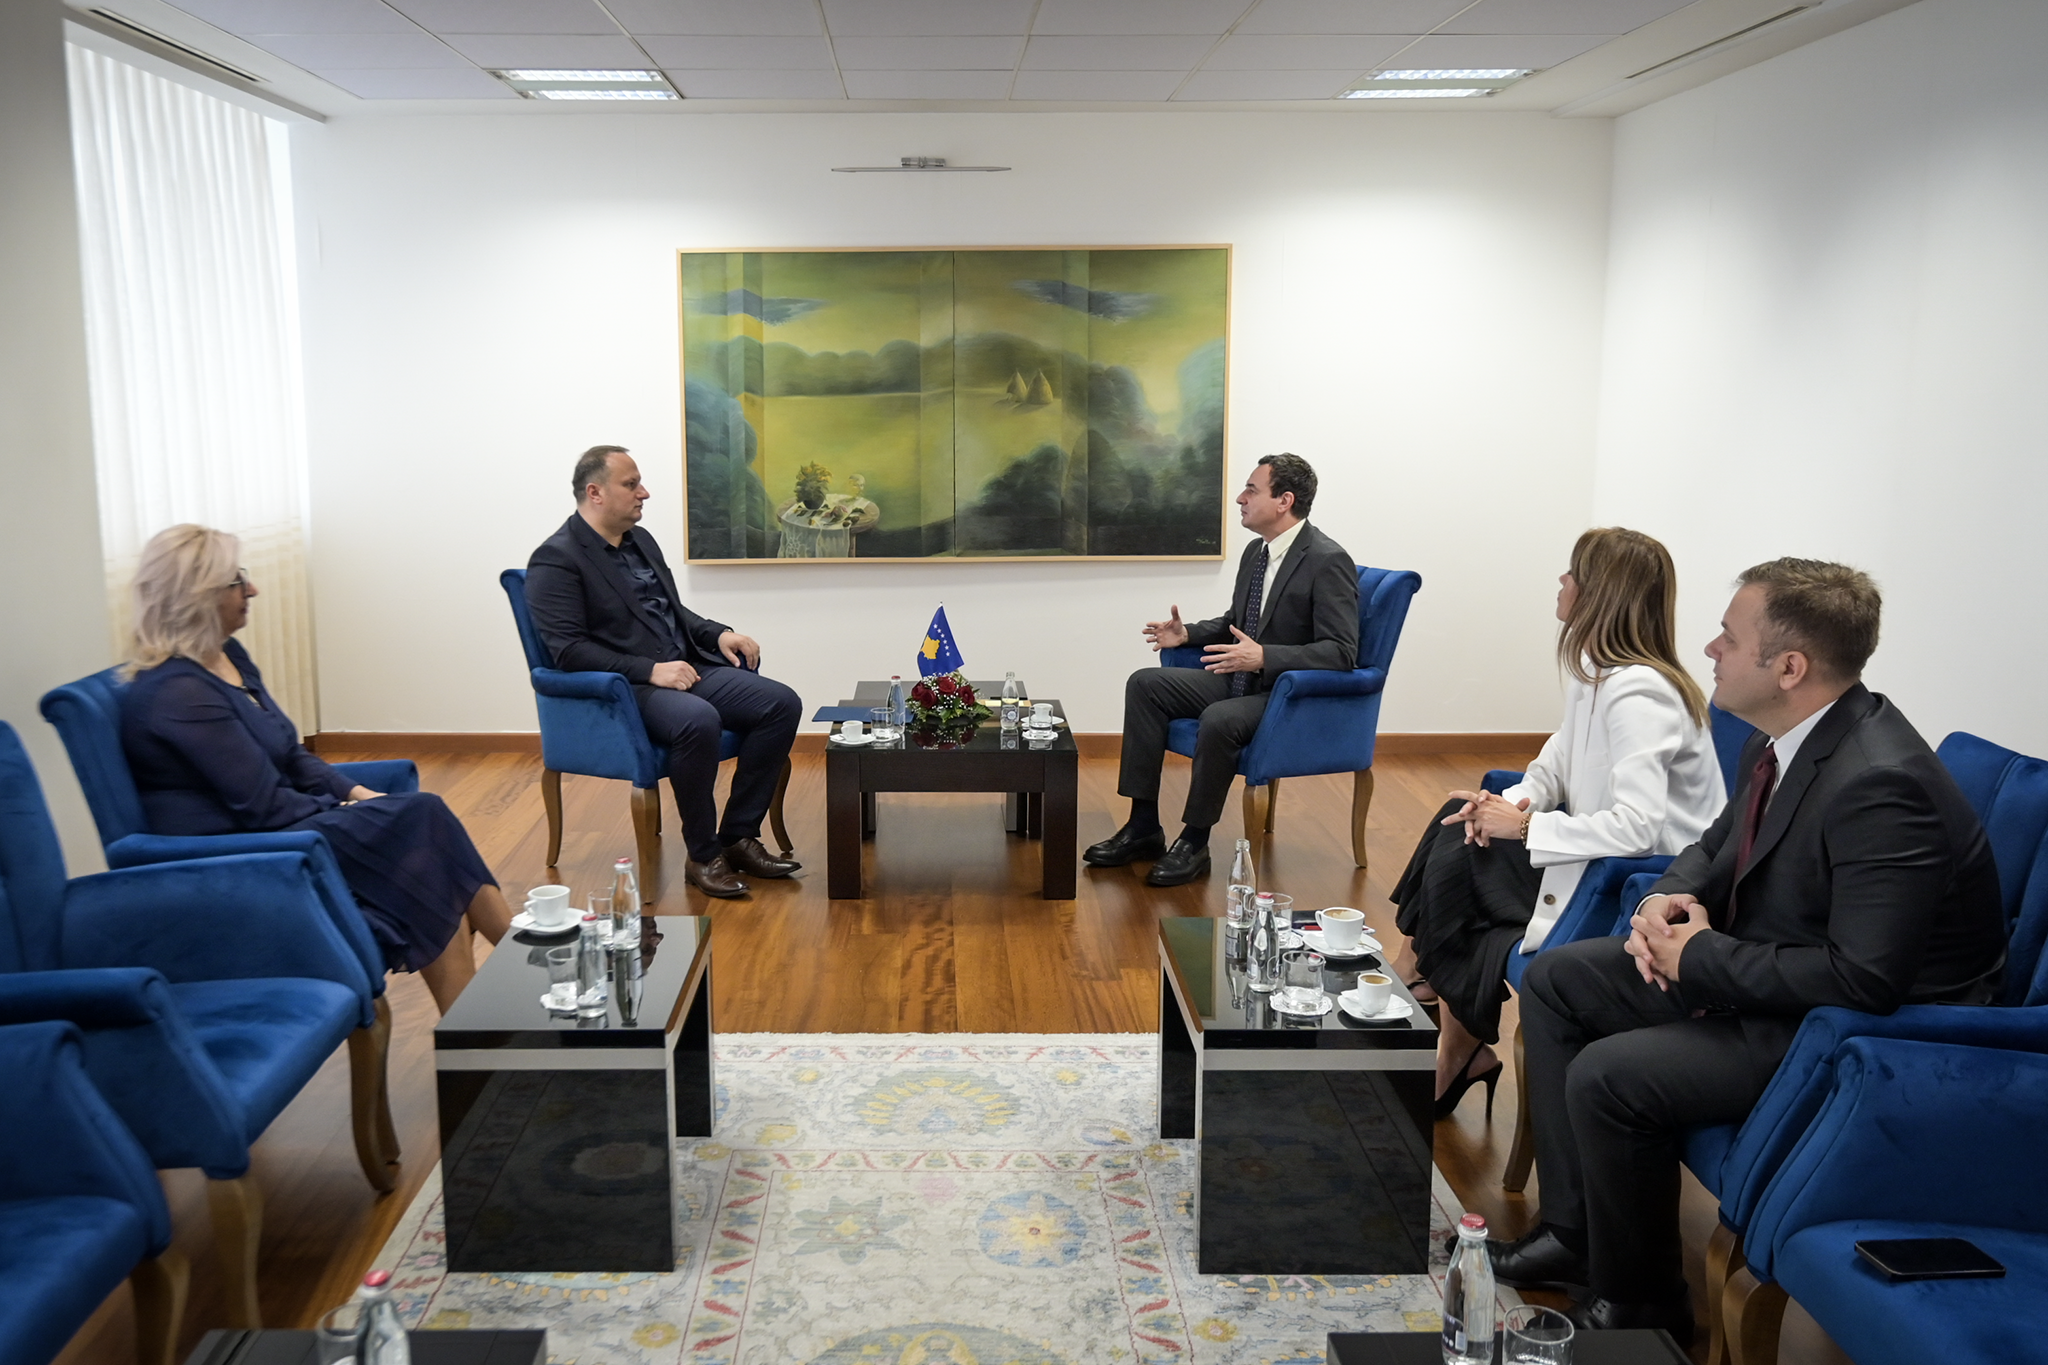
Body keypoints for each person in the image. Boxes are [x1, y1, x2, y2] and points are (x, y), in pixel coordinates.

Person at [1485, 558, 2005, 1340]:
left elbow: (1864, 978)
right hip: (1769, 969)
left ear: (1789, 667)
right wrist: (1662, 903)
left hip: (1854, 1034)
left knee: (1610, 1076)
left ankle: (1642, 1306)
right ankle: (1575, 1232)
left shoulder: (1882, 783)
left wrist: (1695, 957)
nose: (1710, 648)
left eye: (1729, 636)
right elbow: (1713, 844)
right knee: (1559, 980)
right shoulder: (1785, 737)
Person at [1389, 528, 1725, 1118]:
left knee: (1462, 870)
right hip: (1589, 855)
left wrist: (1523, 830)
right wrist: (1510, 804)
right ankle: (1433, 1006)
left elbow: (1640, 828)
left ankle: (1417, 985)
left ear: (1600, 593)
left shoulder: (1640, 693)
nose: (1562, 581)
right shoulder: (1597, 671)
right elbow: (1556, 763)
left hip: (1630, 885)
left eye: (1573, 573)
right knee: (1460, 822)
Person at [119, 525, 511, 1013]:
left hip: (283, 825)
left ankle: (480, 1021)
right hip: (243, 851)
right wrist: (349, 812)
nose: (253, 589)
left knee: (423, 834)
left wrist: (361, 796)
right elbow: (262, 806)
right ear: (199, 596)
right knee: (422, 818)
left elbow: (290, 754)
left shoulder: (225, 656)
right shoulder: (178, 693)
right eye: (237, 581)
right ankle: (522, 971)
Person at [524, 445, 801, 899]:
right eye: (631, 484)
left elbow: (671, 611)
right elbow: (568, 652)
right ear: (595, 493)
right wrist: (650, 670)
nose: (644, 493)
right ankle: (703, 856)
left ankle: (738, 837)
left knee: (780, 703)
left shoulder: (641, 541)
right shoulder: (556, 559)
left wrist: (718, 634)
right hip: (626, 687)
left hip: (685, 667)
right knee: (697, 719)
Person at [1085, 453, 1359, 887]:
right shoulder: (1256, 552)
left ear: (1284, 500)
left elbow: (1341, 651)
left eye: (1251, 490)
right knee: (1145, 684)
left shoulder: (1327, 560)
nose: (1239, 499)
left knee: (1220, 718)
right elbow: (1237, 620)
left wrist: (1265, 657)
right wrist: (1186, 634)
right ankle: (1143, 826)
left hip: (1283, 694)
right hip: (1240, 680)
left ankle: (1194, 842)